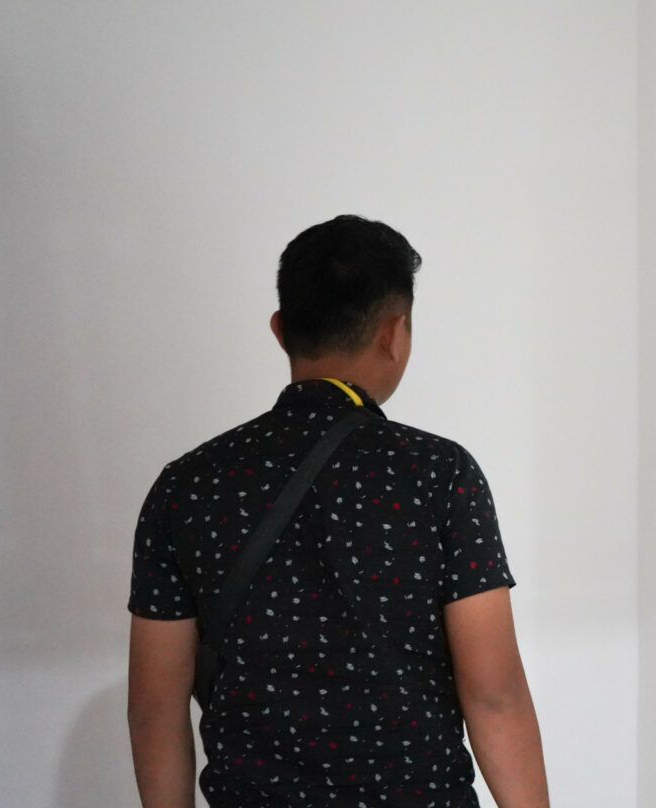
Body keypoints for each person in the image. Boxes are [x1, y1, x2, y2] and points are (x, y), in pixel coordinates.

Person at [126, 215, 549, 808]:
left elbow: (154, 709)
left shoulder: (186, 486)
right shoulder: (440, 475)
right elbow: (494, 695)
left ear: (280, 331)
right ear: (395, 333)